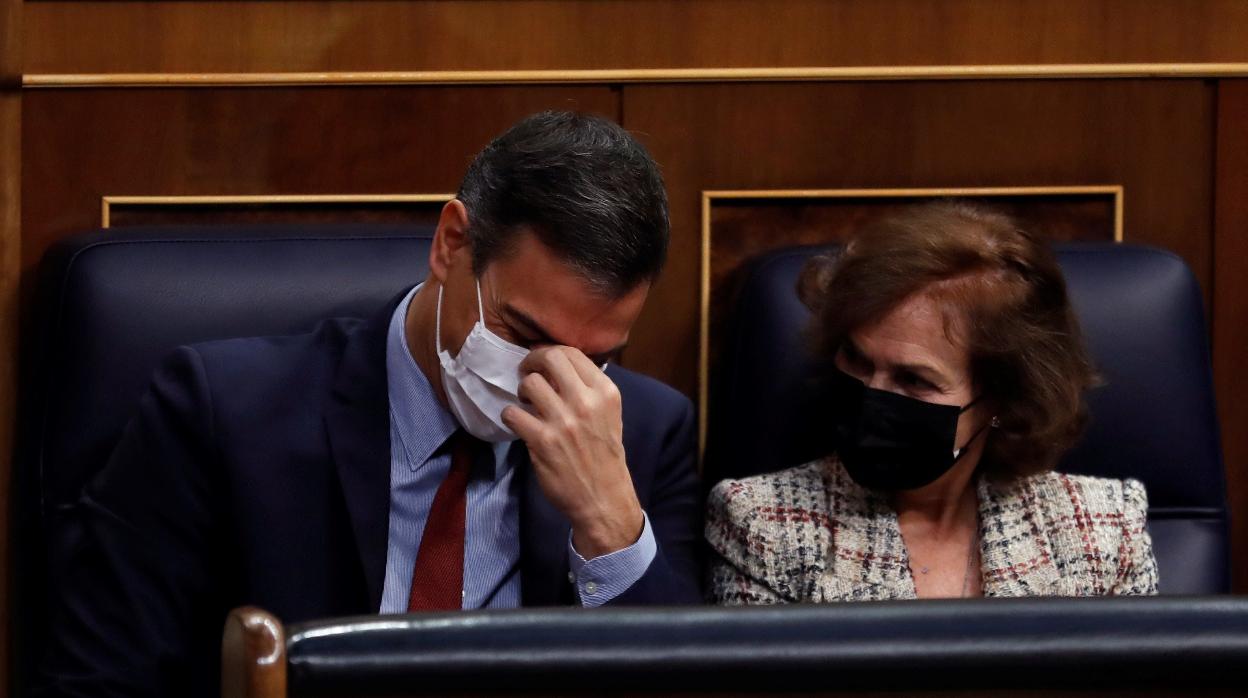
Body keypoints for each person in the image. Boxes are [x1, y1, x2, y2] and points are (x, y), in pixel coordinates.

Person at [41, 111, 701, 696]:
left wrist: (610, 527)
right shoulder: (222, 413)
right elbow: (103, 680)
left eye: (594, 357)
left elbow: (687, 685)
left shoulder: (644, 434)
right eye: (522, 334)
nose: (548, 377)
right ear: (451, 244)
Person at [706, 201, 1158, 603]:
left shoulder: (1104, 531)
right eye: (857, 360)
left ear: (1003, 398)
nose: (873, 394)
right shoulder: (763, 525)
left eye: (913, 379)